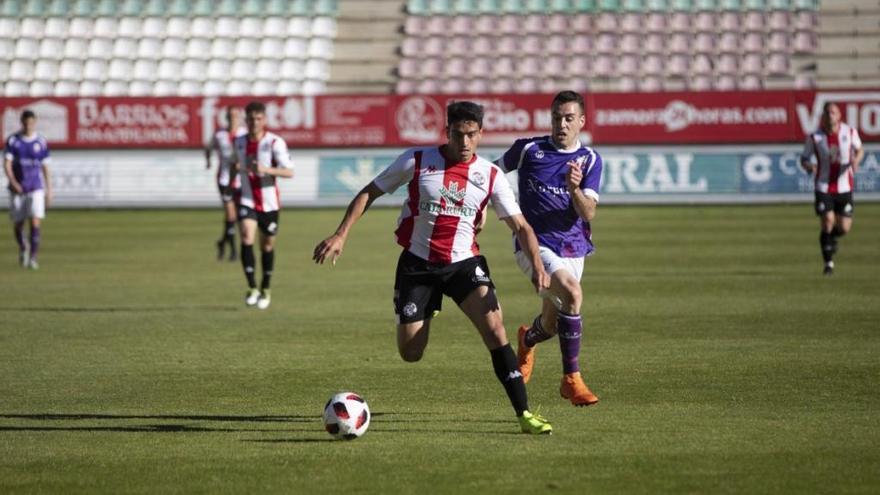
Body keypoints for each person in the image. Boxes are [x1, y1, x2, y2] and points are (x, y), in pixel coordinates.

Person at [313, 101, 554, 435]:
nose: (465, 143)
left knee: (496, 331)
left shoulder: (491, 175)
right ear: (447, 132)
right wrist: (341, 234)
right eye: (458, 135)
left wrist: (539, 268)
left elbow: (522, 227)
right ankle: (430, 307)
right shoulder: (417, 160)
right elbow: (369, 192)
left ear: (481, 134)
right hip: (417, 265)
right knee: (411, 353)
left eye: (472, 135)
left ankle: (524, 412)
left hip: (463, 265)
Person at [496, 91, 602, 407]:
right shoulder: (529, 149)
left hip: (574, 248)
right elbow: (488, 174)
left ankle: (527, 340)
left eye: (569, 118)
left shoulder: (591, 160)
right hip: (534, 245)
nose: (562, 123)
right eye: (557, 117)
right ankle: (572, 379)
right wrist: (498, 211)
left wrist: (573, 188)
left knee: (553, 325)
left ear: (581, 121)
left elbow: (588, 213)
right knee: (572, 293)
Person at [231, 101, 294, 309]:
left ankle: (265, 287)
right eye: (250, 119)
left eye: (258, 119)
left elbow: (289, 171)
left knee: (267, 245)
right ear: (245, 120)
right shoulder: (239, 142)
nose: (254, 123)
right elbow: (234, 164)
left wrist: (266, 169)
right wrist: (233, 182)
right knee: (247, 237)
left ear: (264, 120)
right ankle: (252, 287)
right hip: (247, 199)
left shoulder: (275, 143)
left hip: (269, 203)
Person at [800, 101, 864, 276]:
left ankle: (832, 238)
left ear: (839, 115)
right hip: (823, 186)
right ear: (823, 116)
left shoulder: (850, 132)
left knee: (844, 227)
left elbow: (860, 150)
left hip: (844, 186)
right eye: (827, 112)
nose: (830, 115)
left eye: (833, 112)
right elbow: (804, 157)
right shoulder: (815, 137)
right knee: (827, 220)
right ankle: (828, 263)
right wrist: (808, 166)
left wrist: (856, 161)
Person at [4, 110, 51, 270]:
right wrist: (13, 182)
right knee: (18, 224)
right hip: (17, 189)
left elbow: (45, 167)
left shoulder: (41, 141)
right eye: (25, 123)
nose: (28, 125)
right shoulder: (13, 141)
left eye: (30, 122)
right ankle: (24, 246)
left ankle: (33, 258)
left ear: (35, 122)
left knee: (35, 221)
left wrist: (49, 189)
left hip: (35, 187)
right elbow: (7, 164)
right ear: (21, 122)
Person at [206, 105, 247, 261]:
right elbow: (208, 148)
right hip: (224, 180)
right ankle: (234, 251)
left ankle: (222, 242)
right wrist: (208, 161)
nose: (233, 118)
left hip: (241, 181)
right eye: (230, 115)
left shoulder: (245, 134)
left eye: (236, 115)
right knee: (231, 214)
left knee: (236, 217)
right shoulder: (219, 135)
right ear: (226, 117)